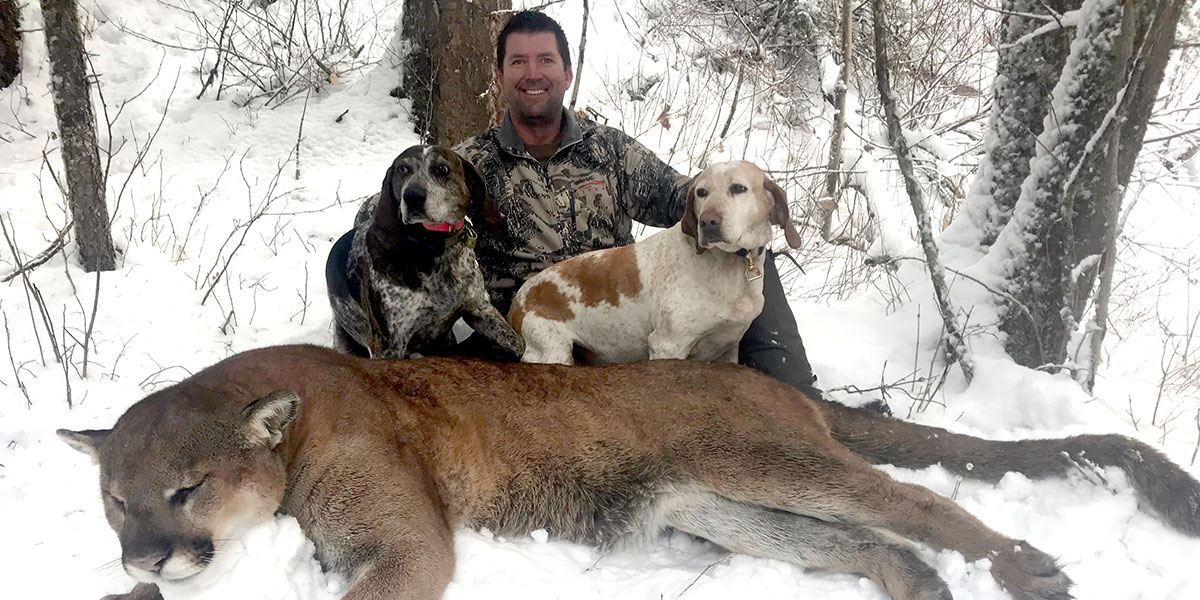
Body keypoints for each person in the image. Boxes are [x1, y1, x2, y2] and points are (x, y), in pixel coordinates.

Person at [453, 10, 821, 395]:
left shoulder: (611, 150)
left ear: (567, 74)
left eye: (545, 60)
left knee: (744, 242)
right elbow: (396, 216)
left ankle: (794, 387)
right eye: (518, 62)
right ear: (499, 77)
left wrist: (738, 211)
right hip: (528, 334)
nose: (533, 73)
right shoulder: (467, 164)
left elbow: (684, 196)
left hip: (622, 324)